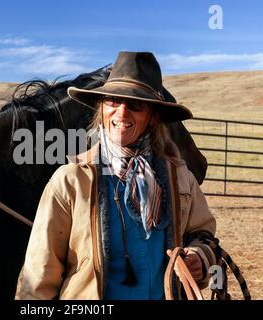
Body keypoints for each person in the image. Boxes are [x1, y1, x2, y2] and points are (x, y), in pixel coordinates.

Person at [15, 52, 216, 300]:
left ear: (152, 117)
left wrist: (199, 257)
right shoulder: (71, 181)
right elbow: (39, 276)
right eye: (112, 102)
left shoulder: (179, 177)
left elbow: (202, 232)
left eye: (135, 105)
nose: (121, 113)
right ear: (101, 108)